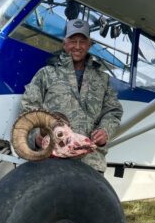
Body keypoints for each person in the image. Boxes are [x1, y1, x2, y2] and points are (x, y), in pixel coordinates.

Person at [20, 18, 123, 172]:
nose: (77, 46)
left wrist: (105, 131)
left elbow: (113, 111)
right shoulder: (46, 73)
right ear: (64, 43)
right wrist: (35, 137)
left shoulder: (103, 79)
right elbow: (28, 110)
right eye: (72, 41)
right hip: (51, 160)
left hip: (91, 164)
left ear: (89, 45)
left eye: (82, 41)